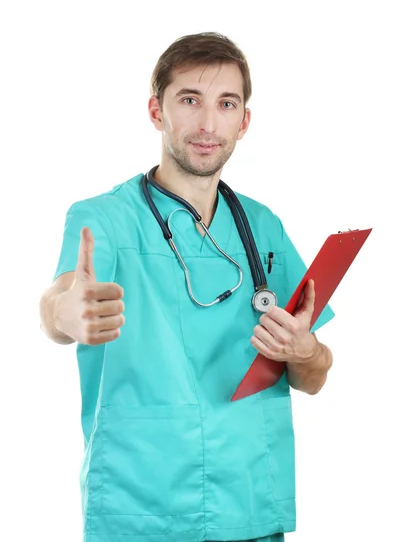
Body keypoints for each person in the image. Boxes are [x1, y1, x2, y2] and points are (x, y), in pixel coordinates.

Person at [39, 32, 334, 542]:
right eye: (189, 100)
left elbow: (313, 375)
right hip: (141, 503)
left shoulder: (262, 227)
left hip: (248, 503)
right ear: (157, 111)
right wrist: (65, 314)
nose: (207, 124)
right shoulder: (103, 219)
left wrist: (304, 350)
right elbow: (59, 303)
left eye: (226, 104)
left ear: (244, 122)